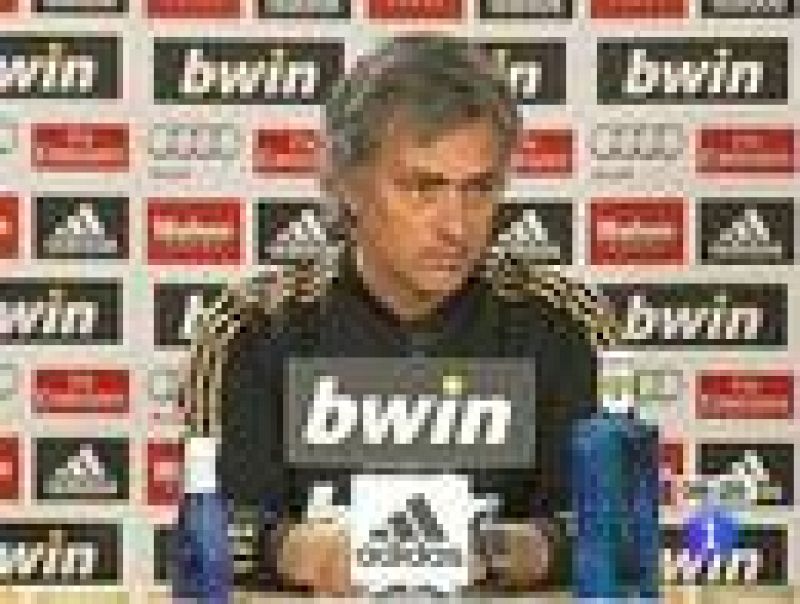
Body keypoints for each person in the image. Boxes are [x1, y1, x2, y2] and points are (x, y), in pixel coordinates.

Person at [179, 34, 619, 596]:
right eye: (422, 188)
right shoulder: (253, 328)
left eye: (479, 189)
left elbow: (614, 530)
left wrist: (506, 550)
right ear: (347, 184)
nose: (456, 225)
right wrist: (304, 553)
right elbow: (209, 532)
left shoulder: (564, 324)